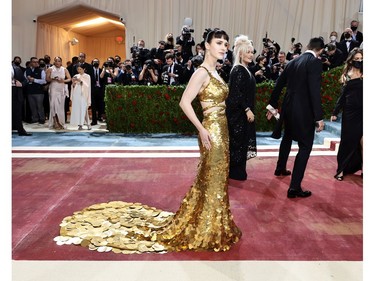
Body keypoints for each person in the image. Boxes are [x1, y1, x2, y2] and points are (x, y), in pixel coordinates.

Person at [54, 28, 241, 254]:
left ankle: (214, 223)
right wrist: (201, 129)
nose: (223, 47)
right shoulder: (202, 72)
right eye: (219, 42)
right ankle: (208, 227)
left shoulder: (217, 71)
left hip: (222, 130)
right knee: (212, 177)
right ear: (207, 46)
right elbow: (184, 102)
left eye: (226, 43)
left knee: (215, 177)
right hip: (211, 131)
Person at [266, 37, 325, 199]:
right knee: (305, 146)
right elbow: (314, 91)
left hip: (288, 108)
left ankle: (280, 168)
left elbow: (278, 85)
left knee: (287, 137)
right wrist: (318, 117)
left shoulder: (293, 62)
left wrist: (272, 106)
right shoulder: (315, 62)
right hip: (303, 111)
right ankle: (294, 187)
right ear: (320, 51)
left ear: (308, 46)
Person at [226, 34, 257, 181]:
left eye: (252, 52)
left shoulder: (243, 69)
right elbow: (236, 93)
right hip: (238, 114)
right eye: (248, 52)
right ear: (240, 53)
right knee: (237, 142)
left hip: (241, 114)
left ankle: (238, 171)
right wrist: (247, 109)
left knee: (241, 141)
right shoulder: (238, 70)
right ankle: (235, 172)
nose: (251, 55)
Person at [330, 48, 363, 181]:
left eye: (361, 59)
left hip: (364, 112)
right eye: (357, 59)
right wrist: (335, 112)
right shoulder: (346, 75)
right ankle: (341, 169)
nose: (360, 61)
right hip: (350, 113)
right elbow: (342, 96)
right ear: (351, 60)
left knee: (364, 142)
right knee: (347, 141)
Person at [46, 56, 71, 130]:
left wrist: (63, 80)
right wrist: (54, 78)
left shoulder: (64, 69)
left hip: (61, 88)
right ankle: (55, 122)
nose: (57, 62)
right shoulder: (50, 69)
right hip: (53, 88)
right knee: (53, 105)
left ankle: (60, 122)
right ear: (54, 61)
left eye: (59, 61)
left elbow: (69, 79)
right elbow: (47, 79)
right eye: (56, 61)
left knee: (60, 106)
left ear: (61, 62)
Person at [11, 58, 32, 136]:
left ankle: (21, 130)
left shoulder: (16, 68)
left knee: (17, 112)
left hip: (15, 91)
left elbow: (25, 80)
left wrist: (21, 84)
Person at [70, 65, 92, 130]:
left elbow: (87, 86)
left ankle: (88, 123)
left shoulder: (87, 76)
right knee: (78, 109)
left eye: (80, 69)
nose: (79, 70)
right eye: (78, 69)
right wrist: (73, 83)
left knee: (84, 109)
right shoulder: (76, 76)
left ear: (84, 69)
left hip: (83, 94)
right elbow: (73, 86)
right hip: (77, 93)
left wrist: (80, 81)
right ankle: (80, 125)